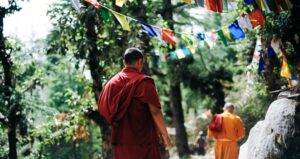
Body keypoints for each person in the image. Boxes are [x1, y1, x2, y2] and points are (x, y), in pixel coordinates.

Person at [98, 48, 171, 159]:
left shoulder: (111, 84)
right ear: (139, 61)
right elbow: (155, 111)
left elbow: (104, 110)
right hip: (144, 142)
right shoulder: (144, 82)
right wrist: (165, 135)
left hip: (121, 142)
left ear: (124, 62)